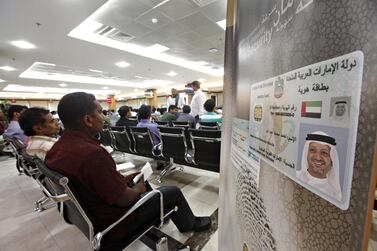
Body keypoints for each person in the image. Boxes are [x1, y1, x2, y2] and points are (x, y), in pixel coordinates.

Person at [45, 92, 211, 245]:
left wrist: (125, 180)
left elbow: (94, 183)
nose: (104, 117)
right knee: (171, 191)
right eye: (101, 112)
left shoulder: (56, 150)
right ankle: (190, 223)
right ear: (88, 120)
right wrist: (137, 187)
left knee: (139, 180)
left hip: (92, 213)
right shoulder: (92, 153)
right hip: (115, 224)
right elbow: (124, 199)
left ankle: (157, 210)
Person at [296, 131, 342, 201]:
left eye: (324, 153)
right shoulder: (295, 176)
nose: (318, 157)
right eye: (312, 150)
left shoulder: (335, 195)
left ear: (331, 159)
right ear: (306, 154)